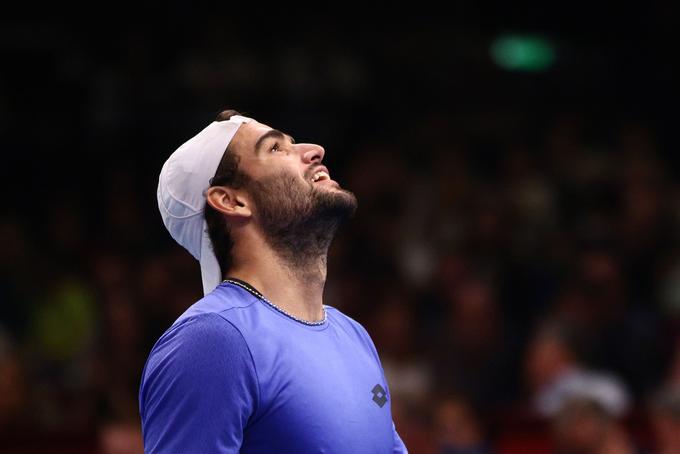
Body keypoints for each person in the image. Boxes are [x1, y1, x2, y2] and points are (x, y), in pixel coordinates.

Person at [139, 109, 408, 453]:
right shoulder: (213, 340)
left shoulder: (352, 334)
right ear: (231, 200)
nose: (315, 150)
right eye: (276, 149)